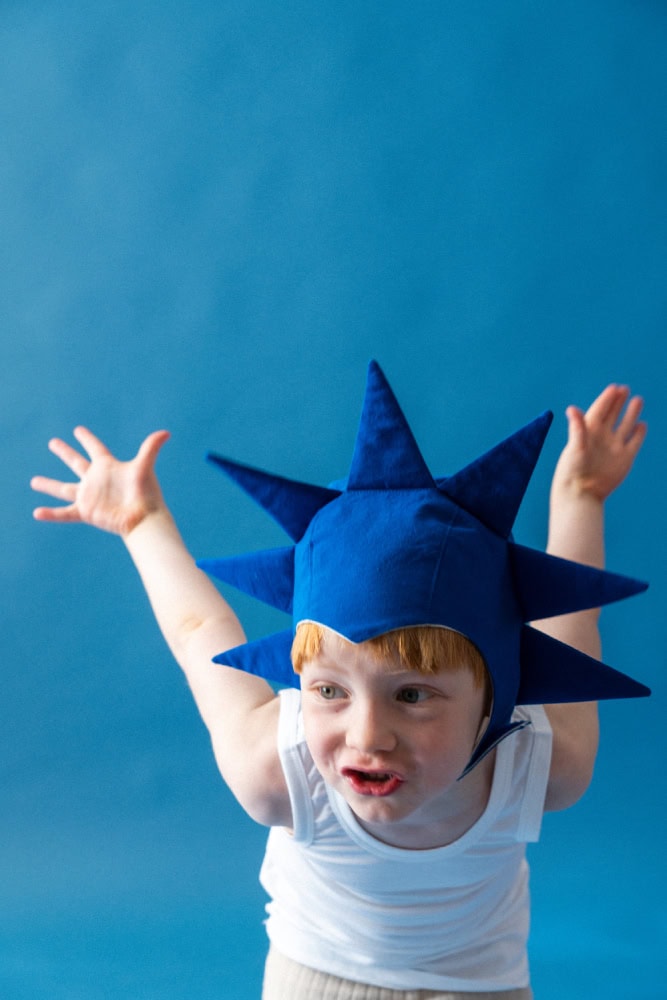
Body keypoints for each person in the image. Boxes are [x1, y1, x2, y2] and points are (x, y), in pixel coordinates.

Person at [31, 363, 648, 999]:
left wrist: (581, 495)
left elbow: (574, 623)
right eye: (329, 691)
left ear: (496, 696)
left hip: (482, 988)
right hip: (315, 982)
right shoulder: (278, 771)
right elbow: (198, 634)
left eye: (412, 695)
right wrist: (140, 522)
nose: (368, 736)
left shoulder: (544, 762)